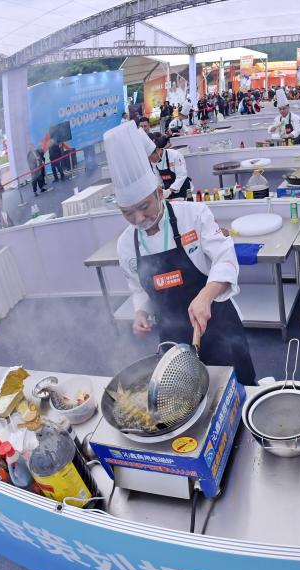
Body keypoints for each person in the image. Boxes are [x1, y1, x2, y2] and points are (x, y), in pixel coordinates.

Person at [106, 123, 256, 386]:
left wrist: (206, 296)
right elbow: (138, 286)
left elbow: (225, 257)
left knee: (238, 386)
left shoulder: (193, 215)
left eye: (144, 207)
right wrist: (140, 313)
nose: (139, 218)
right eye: (128, 213)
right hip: (172, 336)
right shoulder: (126, 244)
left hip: (218, 324)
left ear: (159, 193)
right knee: (187, 396)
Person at [148, 133, 191, 200]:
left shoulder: (175, 155)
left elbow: (181, 176)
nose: (151, 160)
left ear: (158, 151)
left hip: (182, 191)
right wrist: (159, 190)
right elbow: (157, 178)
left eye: (151, 157)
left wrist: (169, 190)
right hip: (167, 193)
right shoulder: (153, 162)